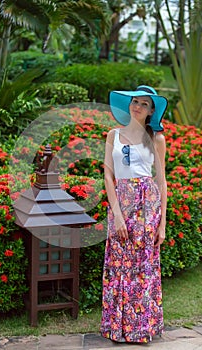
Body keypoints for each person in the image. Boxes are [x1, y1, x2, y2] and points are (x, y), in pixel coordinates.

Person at [100, 85, 168, 343]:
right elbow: (108, 174)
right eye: (134, 102)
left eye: (144, 104)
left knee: (142, 267)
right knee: (119, 263)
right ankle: (117, 327)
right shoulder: (113, 135)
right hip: (121, 202)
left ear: (151, 112)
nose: (137, 106)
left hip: (146, 205)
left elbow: (161, 182)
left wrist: (162, 222)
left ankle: (141, 328)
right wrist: (117, 214)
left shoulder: (156, 139)